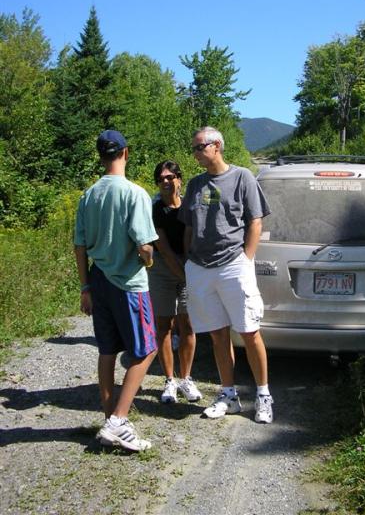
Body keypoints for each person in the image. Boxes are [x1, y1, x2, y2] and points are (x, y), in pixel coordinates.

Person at [179, 126, 274, 423]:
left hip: (234, 263)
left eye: (199, 147)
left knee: (249, 332)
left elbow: (255, 221)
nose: (194, 152)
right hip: (201, 268)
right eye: (193, 147)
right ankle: (229, 395)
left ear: (217, 146)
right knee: (218, 335)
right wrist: (187, 263)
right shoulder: (195, 185)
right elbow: (189, 228)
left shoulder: (242, 176)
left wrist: (247, 259)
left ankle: (262, 395)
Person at [74, 130, 159, 452]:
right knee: (146, 349)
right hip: (128, 283)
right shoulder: (134, 193)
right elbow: (144, 246)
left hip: (98, 281)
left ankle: (111, 417)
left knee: (107, 350)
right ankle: (118, 420)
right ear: (126, 152)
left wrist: (85, 287)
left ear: (101, 155)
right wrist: (149, 259)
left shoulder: (88, 195)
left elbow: (80, 245)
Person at [149, 160, 202, 404]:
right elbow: (164, 248)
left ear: (180, 179)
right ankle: (169, 380)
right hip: (162, 268)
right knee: (164, 325)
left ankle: (186, 378)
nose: (166, 182)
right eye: (161, 179)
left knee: (188, 324)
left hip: (188, 265)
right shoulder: (155, 208)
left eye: (170, 177)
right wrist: (186, 277)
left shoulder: (190, 206)